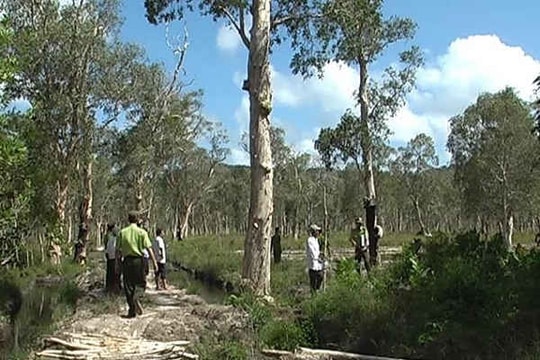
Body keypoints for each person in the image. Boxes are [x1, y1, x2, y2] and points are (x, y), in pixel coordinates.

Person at [116, 211, 158, 318]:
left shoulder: (122, 232)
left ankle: (131, 310)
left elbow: (118, 251)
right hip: (139, 261)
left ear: (128, 219)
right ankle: (137, 297)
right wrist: (154, 263)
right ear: (138, 219)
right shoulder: (142, 232)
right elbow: (149, 249)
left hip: (126, 261)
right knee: (141, 283)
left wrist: (118, 264)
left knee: (128, 286)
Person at [306, 224, 324, 293]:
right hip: (313, 265)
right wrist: (318, 257)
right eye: (317, 231)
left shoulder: (316, 240)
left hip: (318, 264)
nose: (319, 233)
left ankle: (317, 290)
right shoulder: (310, 240)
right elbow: (312, 252)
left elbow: (318, 251)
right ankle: (313, 295)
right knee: (313, 282)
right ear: (313, 231)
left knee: (320, 277)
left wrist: (321, 255)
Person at [104, 223, 121, 293]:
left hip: (110, 256)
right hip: (114, 257)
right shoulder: (111, 237)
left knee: (110, 272)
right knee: (115, 273)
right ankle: (115, 287)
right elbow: (115, 247)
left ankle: (110, 287)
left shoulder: (107, 236)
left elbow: (106, 246)